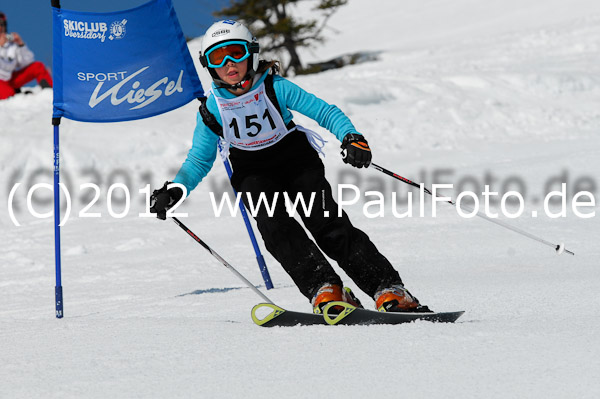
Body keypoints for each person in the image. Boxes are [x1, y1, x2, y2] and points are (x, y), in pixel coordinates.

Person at [150, 20, 430, 314]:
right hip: (251, 170)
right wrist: (176, 190)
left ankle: (388, 289)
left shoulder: (274, 86)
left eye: (236, 53)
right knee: (276, 230)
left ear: (252, 54)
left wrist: (351, 137)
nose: (229, 64)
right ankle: (326, 289)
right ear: (208, 65)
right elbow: (198, 159)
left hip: (295, 160)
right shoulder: (211, 109)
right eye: (218, 58)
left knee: (326, 225)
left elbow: (324, 111)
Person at [0, 11, 53, 100]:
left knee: (38, 66)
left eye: (2, 24)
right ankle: (15, 95)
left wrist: (20, 44)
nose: (0, 27)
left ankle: (49, 93)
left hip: (10, 79)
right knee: (9, 95)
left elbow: (27, 61)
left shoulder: (12, 45)